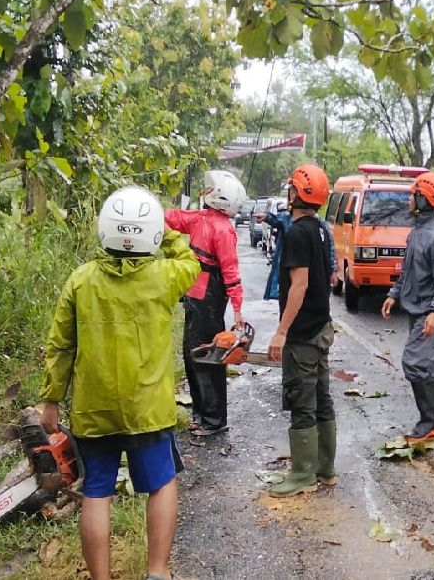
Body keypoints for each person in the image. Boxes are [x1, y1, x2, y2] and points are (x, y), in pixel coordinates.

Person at [40, 186, 200, 580]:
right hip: (147, 410)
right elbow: (191, 260)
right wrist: (169, 229)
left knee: (97, 490)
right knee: (161, 484)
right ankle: (157, 572)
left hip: (94, 410)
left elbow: (60, 345)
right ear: (152, 233)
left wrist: (51, 401)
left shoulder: (81, 280)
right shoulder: (165, 276)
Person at [266, 164, 337, 497]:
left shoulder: (297, 233)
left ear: (296, 194)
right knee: (322, 398)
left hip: (304, 333)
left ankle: (303, 475)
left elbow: (299, 285)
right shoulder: (321, 230)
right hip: (321, 327)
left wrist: (281, 331)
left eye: (291, 189)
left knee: (302, 401)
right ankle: (325, 469)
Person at [165, 170, 247, 437]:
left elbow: (231, 272)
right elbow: (174, 218)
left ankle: (214, 418)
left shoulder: (222, 229)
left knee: (207, 358)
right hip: (195, 299)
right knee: (192, 357)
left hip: (210, 301)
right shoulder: (203, 218)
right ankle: (201, 413)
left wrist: (237, 309)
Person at [381, 172, 434, 443]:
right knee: (426, 364)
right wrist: (394, 294)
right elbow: (408, 271)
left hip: (430, 312)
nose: (409, 199)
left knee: (414, 361)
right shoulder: (418, 232)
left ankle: (430, 421)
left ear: (423, 199)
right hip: (416, 309)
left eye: (413, 195)